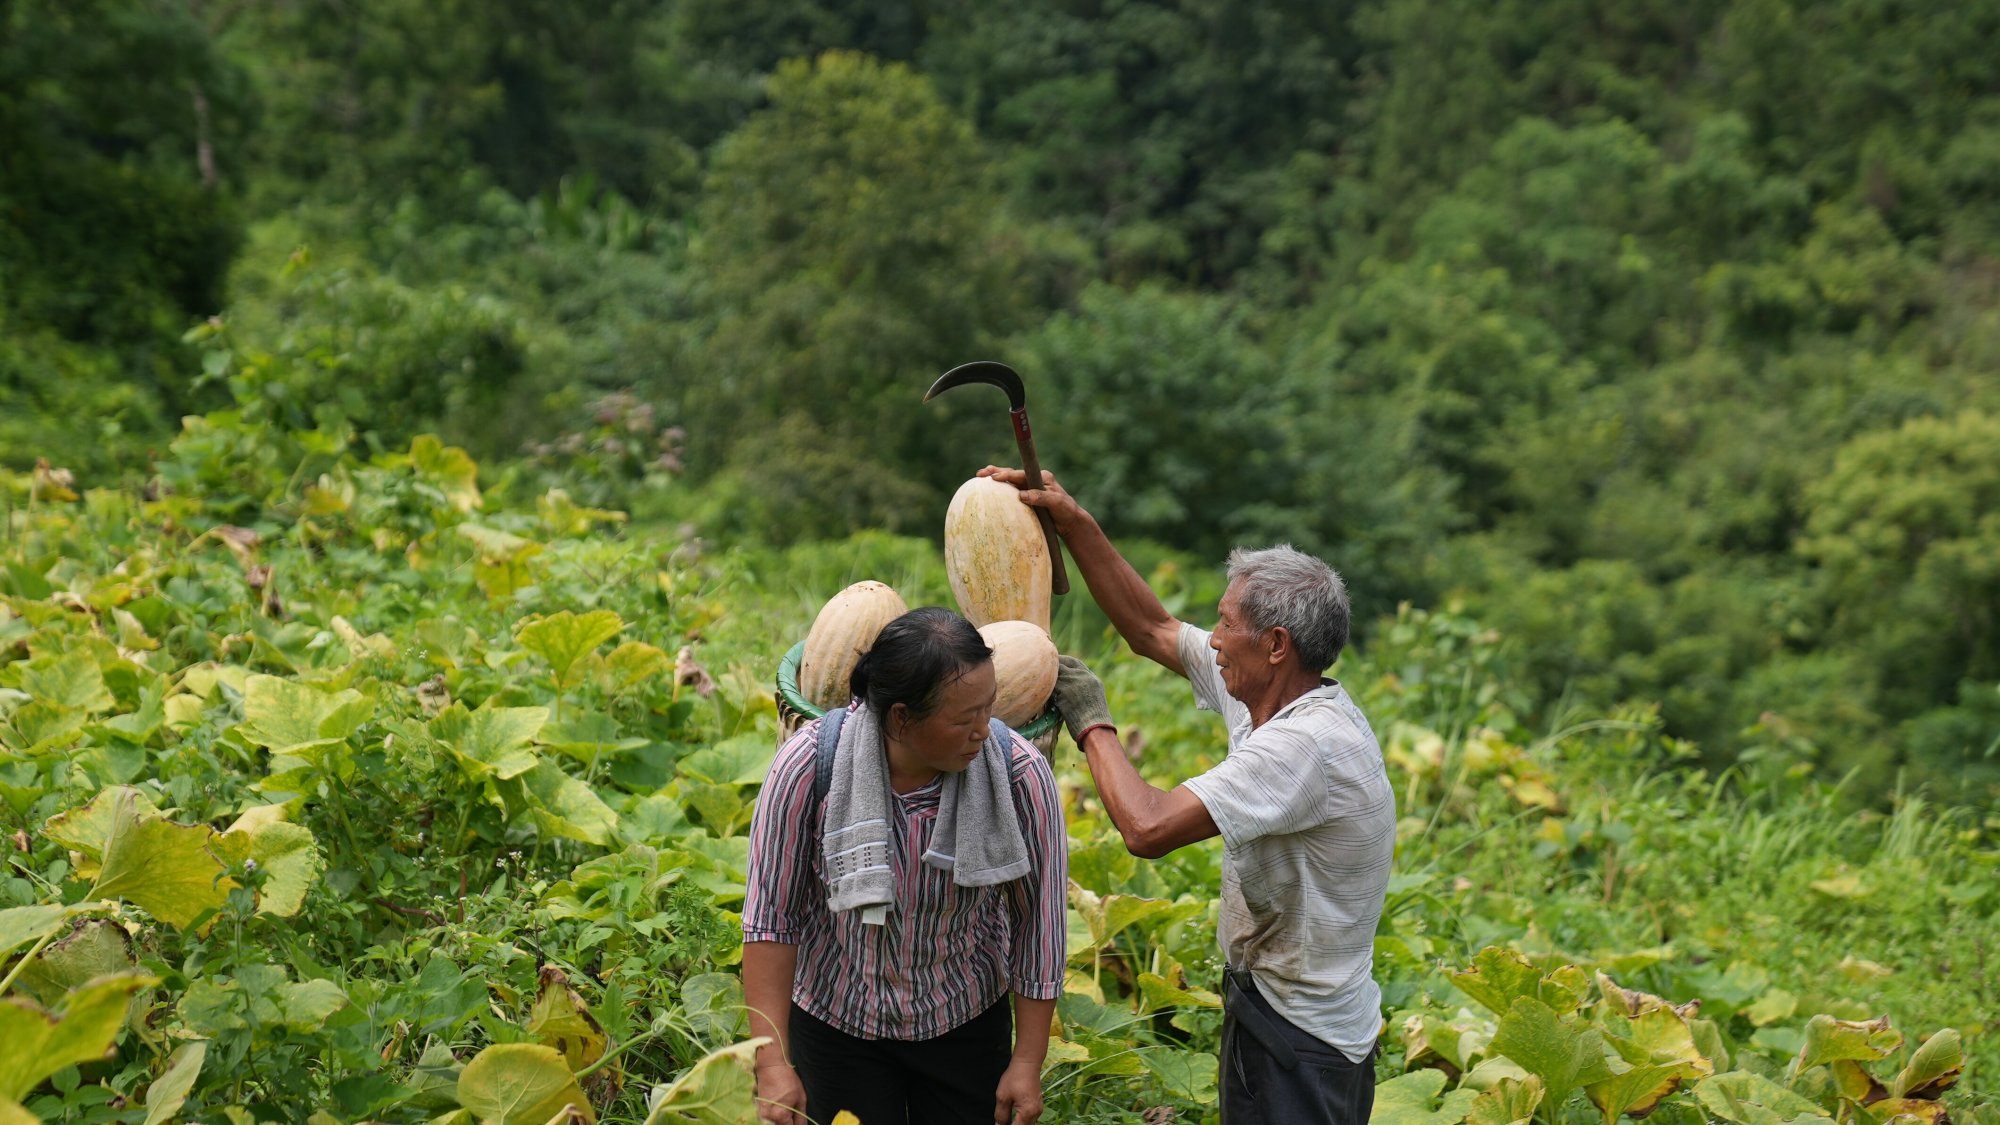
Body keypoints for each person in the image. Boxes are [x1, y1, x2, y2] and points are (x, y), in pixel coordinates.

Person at [982, 466, 1395, 1125]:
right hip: (1275, 1004)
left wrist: (1092, 720)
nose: (1215, 638)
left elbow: (1146, 827)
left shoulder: (1303, 746)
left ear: (1276, 644)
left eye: (1226, 624)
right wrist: (1072, 520)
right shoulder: (1267, 689)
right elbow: (1150, 628)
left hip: (1303, 1039)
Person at [742, 606, 1068, 1125]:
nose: (984, 731)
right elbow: (770, 921)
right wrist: (773, 1061)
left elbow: (1040, 925)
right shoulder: (807, 769)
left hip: (964, 1020)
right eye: (964, 719)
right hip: (836, 1022)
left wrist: (1027, 1061)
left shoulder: (1019, 776)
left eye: (989, 708)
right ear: (900, 717)